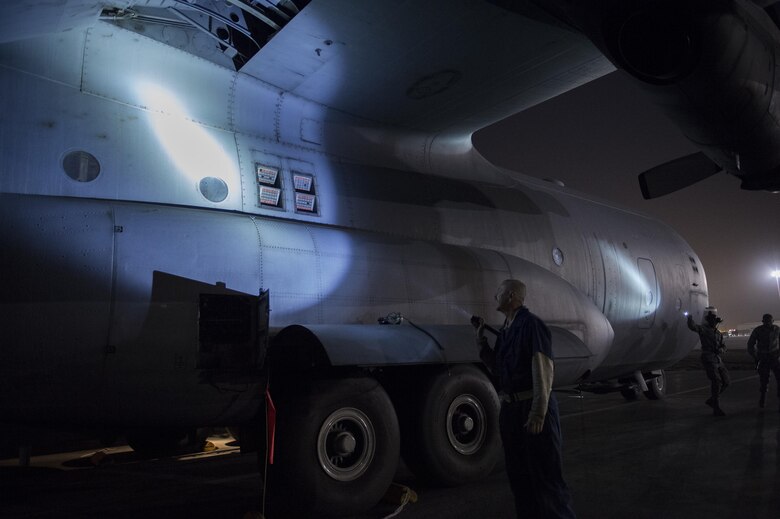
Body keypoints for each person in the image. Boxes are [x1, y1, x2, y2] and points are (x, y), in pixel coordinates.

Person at [473, 279, 576, 519]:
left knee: (546, 481)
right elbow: (498, 369)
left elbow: (543, 368)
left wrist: (538, 412)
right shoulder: (507, 330)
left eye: (498, 292)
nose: (494, 296)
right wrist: (480, 340)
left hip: (531, 407)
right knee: (520, 481)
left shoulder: (532, 325)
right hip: (512, 410)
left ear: (510, 296)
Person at [686, 308, 730, 416]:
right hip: (708, 358)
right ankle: (716, 406)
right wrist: (689, 319)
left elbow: (723, 345)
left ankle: (712, 400)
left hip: (718, 359)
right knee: (716, 382)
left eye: (715, 321)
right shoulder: (704, 329)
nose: (713, 323)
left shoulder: (719, 334)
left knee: (726, 381)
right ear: (709, 321)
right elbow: (693, 327)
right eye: (712, 321)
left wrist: (722, 349)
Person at [746, 314, 780, 410]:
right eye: (766, 321)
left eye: (769, 321)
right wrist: (755, 356)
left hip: (774, 357)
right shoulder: (758, 330)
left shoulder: (777, 329)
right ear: (763, 321)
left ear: (772, 321)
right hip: (763, 358)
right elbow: (750, 344)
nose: (768, 323)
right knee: (764, 380)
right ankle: (762, 400)